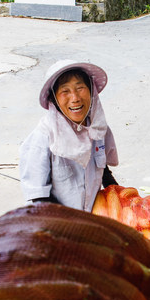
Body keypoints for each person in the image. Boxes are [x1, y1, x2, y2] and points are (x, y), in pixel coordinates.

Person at [19, 60, 119, 210]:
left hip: (91, 218)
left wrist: (122, 198)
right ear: (54, 98)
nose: (75, 98)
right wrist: (73, 223)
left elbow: (102, 168)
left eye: (80, 88)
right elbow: (38, 197)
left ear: (91, 91)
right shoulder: (44, 137)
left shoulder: (97, 128)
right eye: (65, 91)